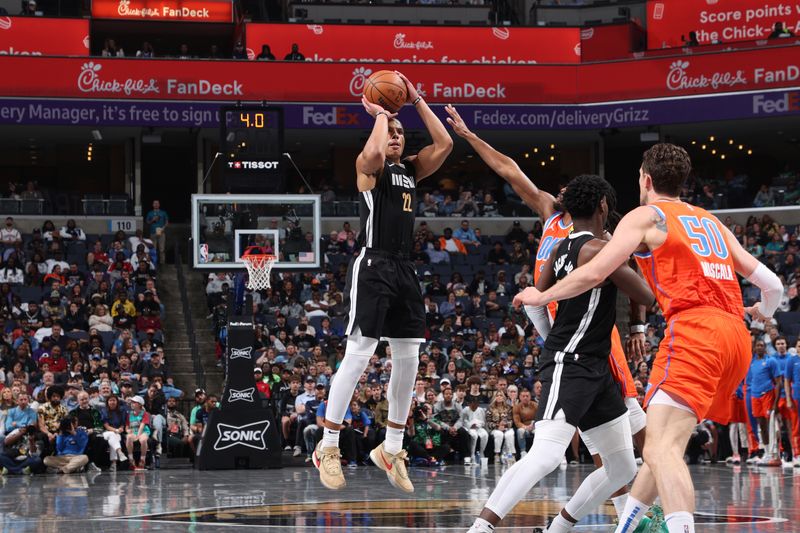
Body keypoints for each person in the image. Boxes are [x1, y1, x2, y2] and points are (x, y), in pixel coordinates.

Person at [514, 144, 783, 533]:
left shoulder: (646, 215)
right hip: (736, 337)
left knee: (659, 449)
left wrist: (542, 295)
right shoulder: (710, 220)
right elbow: (772, 285)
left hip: (696, 333)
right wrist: (765, 313)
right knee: (661, 445)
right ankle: (627, 528)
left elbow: (596, 271)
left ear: (646, 179)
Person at [468, 174, 653, 533]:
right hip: (572, 363)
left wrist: (553, 339)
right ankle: (481, 528)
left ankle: (559, 528)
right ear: (603, 206)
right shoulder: (600, 250)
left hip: (592, 366)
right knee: (547, 454)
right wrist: (627, 249)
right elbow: (645, 295)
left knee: (623, 466)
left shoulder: (559, 248)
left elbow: (535, 304)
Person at [313, 71, 452, 493]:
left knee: (409, 357)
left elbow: (444, 144)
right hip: (372, 265)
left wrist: (416, 101)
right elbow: (371, 155)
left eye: (398, 132)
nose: (394, 136)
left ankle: (391, 448)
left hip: (404, 268)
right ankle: (328, 445)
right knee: (359, 353)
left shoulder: (411, 169)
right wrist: (380, 114)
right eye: (389, 131)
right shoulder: (368, 168)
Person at [101, 395, 129, 471]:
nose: (112, 402)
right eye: (110, 400)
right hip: (107, 432)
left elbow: (123, 424)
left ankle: (114, 464)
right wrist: (116, 430)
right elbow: (106, 426)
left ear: (117, 402)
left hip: (118, 433)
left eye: (114, 400)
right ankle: (119, 452)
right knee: (113, 434)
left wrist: (121, 428)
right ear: (107, 402)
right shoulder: (104, 410)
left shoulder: (122, 410)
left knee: (114, 438)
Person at [126, 395, 151, 470]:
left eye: (134, 402)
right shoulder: (129, 414)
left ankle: (142, 459)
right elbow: (127, 426)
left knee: (143, 440)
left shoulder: (145, 414)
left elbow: (142, 426)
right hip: (133, 431)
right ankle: (131, 459)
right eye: (131, 402)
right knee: (129, 437)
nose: (132, 404)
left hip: (143, 431)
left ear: (140, 404)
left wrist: (138, 436)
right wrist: (127, 430)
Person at [145, 200, 169, 266]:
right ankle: (153, 262)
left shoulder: (163, 212)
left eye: (157, 203)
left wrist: (163, 228)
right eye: (154, 203)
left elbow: (166, 222)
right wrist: (152, 220)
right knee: (153, 249)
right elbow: (147, 222)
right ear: (152, 205)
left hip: (161, 232)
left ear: (159, 205)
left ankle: (162, 263)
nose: (156, 204)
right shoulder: (150, 213)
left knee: (162, 249)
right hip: (153, 232)